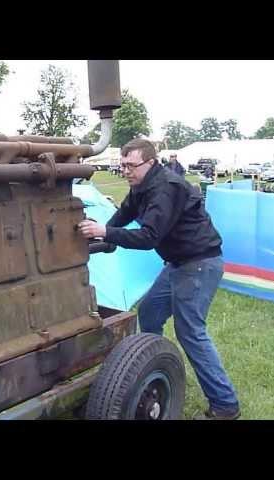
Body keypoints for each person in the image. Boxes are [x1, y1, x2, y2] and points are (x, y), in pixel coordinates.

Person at [78, 138, 240, 420]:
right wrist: (104, 233)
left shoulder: (166, 188)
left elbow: (149, 237)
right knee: (150, 313)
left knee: (190, 332)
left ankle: (225, 405)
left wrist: (105, 232)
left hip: (199, 263)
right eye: (122, 165)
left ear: (150, 163)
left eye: (131, 165)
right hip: (178, 262)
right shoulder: (140, 187)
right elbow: (124, 214)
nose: (125, 171)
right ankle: (151, 367)